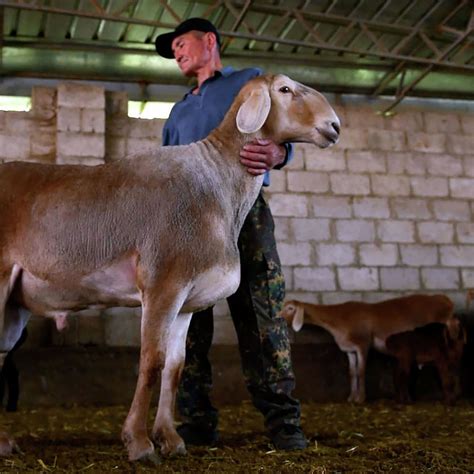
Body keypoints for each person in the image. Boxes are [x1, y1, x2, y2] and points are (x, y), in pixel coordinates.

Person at [154, 17, 307, 450]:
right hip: (186, 219)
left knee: (261, 313)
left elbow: (284, 129)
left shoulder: (249, 84)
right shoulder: (179, 111)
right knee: (187, 321)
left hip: (244, 212)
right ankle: (197, 423)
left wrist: (280, 152)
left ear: (208, 41)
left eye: (181, 44)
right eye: (174, 50)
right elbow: (167, 168)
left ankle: (283, 425)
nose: (177, 53)